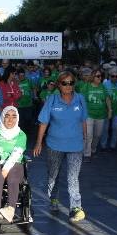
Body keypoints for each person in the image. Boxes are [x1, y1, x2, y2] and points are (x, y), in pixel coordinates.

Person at [34, 71, 88, 223]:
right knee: (53, 176)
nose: (68, 86)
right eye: (64, 83)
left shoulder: (80, 99)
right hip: (54, 144)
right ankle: (54, 198)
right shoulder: (52, 100)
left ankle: (76, 207)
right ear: (58, 85)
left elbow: (84, 121)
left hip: (76, 144)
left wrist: (86, 140)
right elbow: (44, 122)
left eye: (71, 83)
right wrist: (39, 143)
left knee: (73, 178)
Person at [79, 70, 112, 162]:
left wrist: (110, 110)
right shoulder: (86, 87)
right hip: (88, 115)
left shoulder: (103, 87)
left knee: (97, 135)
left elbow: (107, 98)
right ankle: (87, 153)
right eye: (98, 76)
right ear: (93, 77)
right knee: (88, 134)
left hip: (101, 115)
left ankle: (93, 149)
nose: (100, 78)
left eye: (101, 76)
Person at [100, 67, 117, 152]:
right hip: (107, 110)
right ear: (109, 76)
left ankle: (113, 146)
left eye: (116, 76)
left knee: (115, 128)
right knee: (105, 128)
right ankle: (103, 146)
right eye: (112, 76)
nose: (114, 78)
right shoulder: (105, 84)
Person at [16, 67, 36, 135]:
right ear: (18, 75)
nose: (22, 77)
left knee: (28, 119)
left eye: (23, 75)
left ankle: (27, 133)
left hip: (28, 103)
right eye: (20, 76)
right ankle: (21, 133)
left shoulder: (28, 80)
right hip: (19, 104)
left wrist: (35, 96)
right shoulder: (15, 82)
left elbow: (33, 88)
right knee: (21, 120)